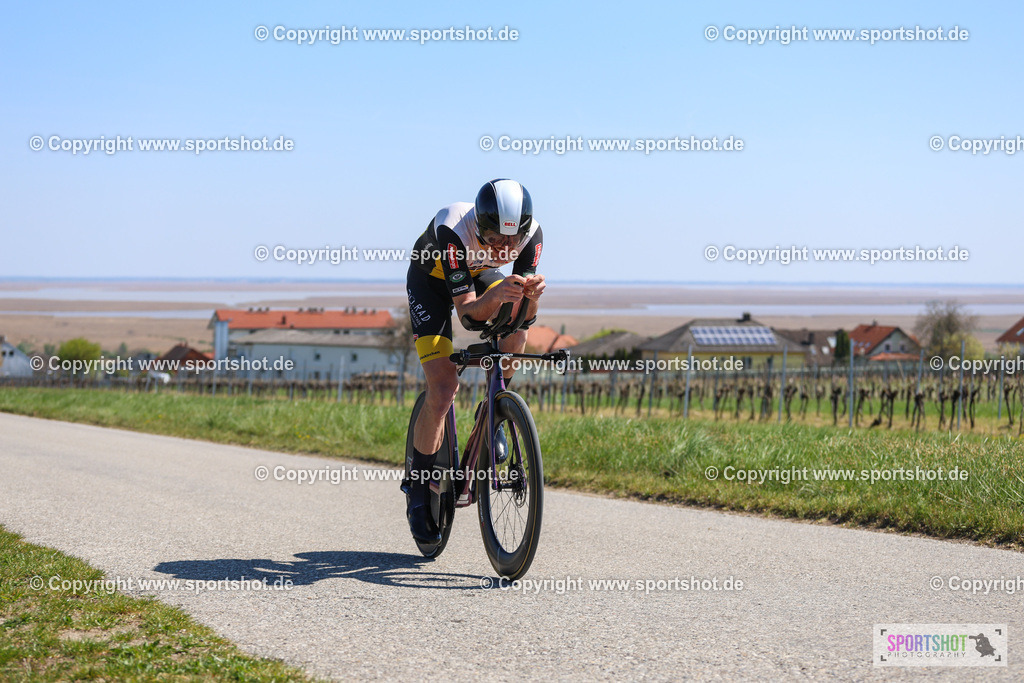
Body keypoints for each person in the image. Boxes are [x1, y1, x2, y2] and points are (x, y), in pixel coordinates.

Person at [403, 179, 545, 542]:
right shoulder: (453, 227)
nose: (503, 247)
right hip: (431, 283)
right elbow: (468, 316)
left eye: (511, 242)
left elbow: (523, 316)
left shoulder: (532, 235)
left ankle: (495, 414)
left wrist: (531, 299)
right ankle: (418, 490)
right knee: (444, 387)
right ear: (479, 224)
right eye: (493, 238)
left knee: (518, 332)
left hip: (477, 276)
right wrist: (496, 294)